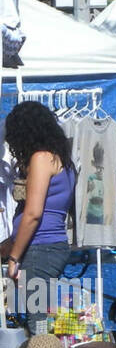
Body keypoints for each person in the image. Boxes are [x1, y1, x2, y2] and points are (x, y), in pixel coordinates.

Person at [1, 102, 76, 328]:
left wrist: (14, 257)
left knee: (38, 323)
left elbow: (33, 214)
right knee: (38, 319)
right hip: (46, 246)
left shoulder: (42, 158)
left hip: (40, 248)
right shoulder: (59, 158)